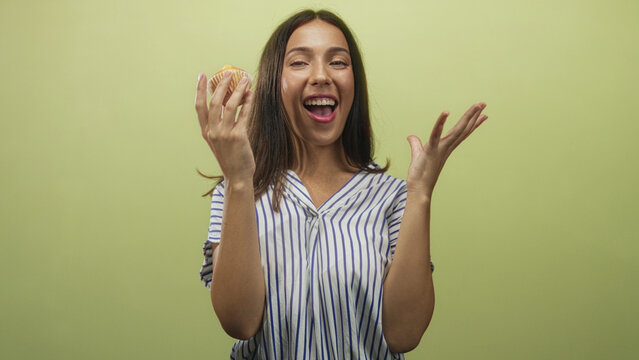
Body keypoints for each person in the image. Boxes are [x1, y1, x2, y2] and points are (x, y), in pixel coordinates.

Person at [194, 9, 487, 360]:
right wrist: (240, 179)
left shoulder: (393, 198)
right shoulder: (236, 191)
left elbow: (404, 333)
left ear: (354, 84)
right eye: (300, 63)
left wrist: (420, 195)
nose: (321, 76)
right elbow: (238, 321)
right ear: (275, 84)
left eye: (338, 62)